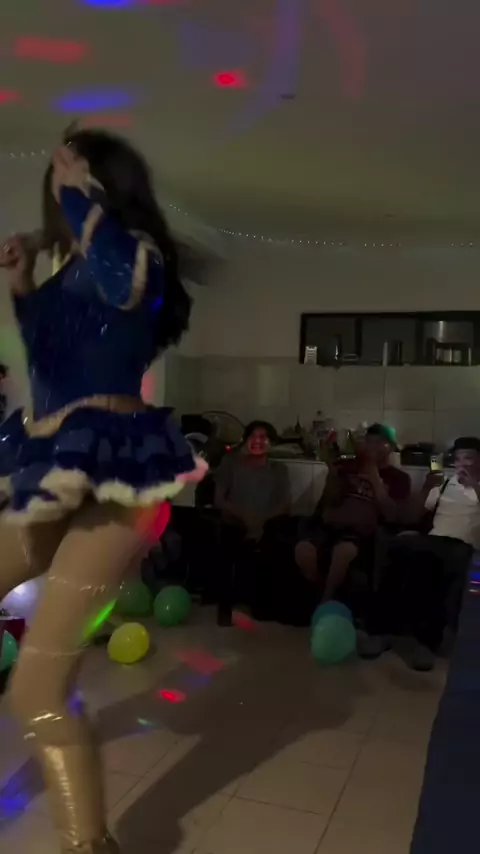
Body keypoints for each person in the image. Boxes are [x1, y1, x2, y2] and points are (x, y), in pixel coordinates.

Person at [0, 129, 207, 853]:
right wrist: (22, 280)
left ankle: (88, 846)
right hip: (51, 463)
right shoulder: (71, 268)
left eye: (73, 170)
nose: (55, 180)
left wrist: (76, 199)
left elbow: (124, 284)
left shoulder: (138, 254)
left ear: (103, 183)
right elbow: (52, 358)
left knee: (36, 692)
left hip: (118, 478)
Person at [360, 436, 480, 671]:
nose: (462, 464)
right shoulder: (445, 484)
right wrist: (427, 487)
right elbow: (410, 517)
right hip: (433, 540)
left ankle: (427, 643)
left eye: (468, 458)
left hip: (463, 545)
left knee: (440, 561)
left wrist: (474, 485)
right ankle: (380, 631)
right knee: (398, 548)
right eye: (458, 459)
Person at [295, 423, 410, 604]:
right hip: (331, 524)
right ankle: (319, 591)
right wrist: (333, 476)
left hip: (360, 533)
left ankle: (325, 600)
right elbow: (328, 501)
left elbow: (392, 516)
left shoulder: (399, 478)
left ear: (390, 448)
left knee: (343, 552)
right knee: (303, 550)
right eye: (368, 442)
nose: (372, 447)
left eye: (379, 443)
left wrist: (375, 480)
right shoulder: (346, 467)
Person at [214, 421, 291, 622]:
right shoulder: (230, 464)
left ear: (271, 442)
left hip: (266, 524)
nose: (257, 441)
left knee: (277, 541)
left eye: (263, 437)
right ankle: (227, 607)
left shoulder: (278, 469)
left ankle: (262, 606)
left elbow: (285, 505)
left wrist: (262, 521)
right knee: (230, 540)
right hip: (235, 522)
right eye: (253, 437)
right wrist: (245, 517)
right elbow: (219, 499)